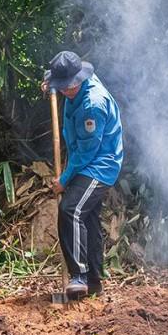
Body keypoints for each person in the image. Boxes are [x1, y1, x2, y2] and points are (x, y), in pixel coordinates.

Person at [43, 51, 124, 299]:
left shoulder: (92, 105)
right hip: (85, 159)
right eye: (62, 86)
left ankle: (78, 276)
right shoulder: (70, 83)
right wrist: (50, 85)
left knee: (71, 209)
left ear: (80, 78)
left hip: (100, 163)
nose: (65, 90)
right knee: (88, 219)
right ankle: (93, 282)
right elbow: (52, 77)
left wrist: (64, 180)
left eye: (69, 86)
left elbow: (87, 153)